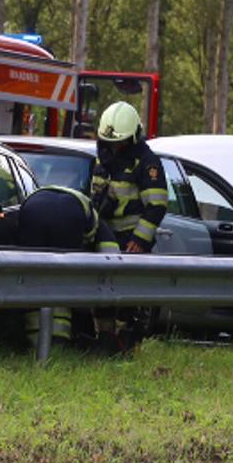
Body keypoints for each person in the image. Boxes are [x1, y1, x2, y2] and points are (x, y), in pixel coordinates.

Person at [88, 100, 168, 352]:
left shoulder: (147, 162)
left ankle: (124, 344)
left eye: (119, 142)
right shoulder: (103, 158)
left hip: (130, 239)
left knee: (126, 298)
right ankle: (104, 339)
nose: (114, 147)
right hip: (104, 234)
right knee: (101, 293)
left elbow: (156, 205)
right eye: (109, 142)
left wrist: (140, 240)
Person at [17, 184, 104, 348]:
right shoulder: (94, 219)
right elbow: (110, 254)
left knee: (34, 280)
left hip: (32, 210)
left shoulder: (38, 196)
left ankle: (35, 341)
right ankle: (58, 343)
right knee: (63, 282)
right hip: (68, 216)